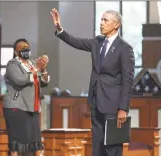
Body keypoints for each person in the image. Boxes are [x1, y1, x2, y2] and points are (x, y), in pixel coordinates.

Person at [50, 8, 135, 156]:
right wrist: (59, 29)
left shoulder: (124, 48)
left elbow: (128, 81)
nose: (101, 23)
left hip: (113, 105)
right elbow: (76, 42)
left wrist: (123, 108)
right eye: (101, 20)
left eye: (105, 20)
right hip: (96, 102)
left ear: (116, 25)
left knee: (112, 148)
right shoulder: (97, 42)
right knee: (98, 146)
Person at [2, 38, 50, 156]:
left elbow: (44, 82)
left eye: (27, 47)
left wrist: (43, 70)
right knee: (17, 143)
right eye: (22, 48)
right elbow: (19, 80)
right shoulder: (12, 64)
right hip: (17, 108)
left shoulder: (33, 64)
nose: (26, 50)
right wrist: (38, 69)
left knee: (36, 142)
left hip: (32, 109)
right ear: (16, 52)